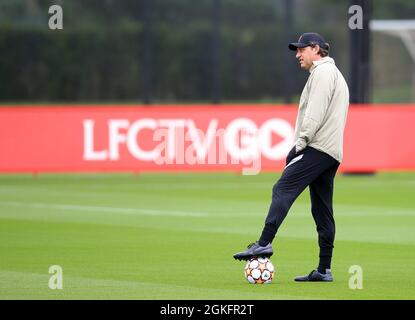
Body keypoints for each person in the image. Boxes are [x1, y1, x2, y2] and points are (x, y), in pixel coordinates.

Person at [233, 32, 349, 282]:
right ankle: (324, 269)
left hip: (317, 147)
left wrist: (300, 144)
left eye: (301, 50)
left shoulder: (322, 73)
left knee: (282, 188)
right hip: (331, 151)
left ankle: (264, 243)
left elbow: (315, 113)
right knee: (322, 210)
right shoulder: (333, 73)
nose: (297, 55)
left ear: (315, 49)